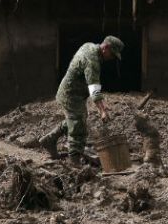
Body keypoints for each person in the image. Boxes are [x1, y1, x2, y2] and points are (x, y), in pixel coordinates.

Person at [38, 36, 125, 166]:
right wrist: (102, 110)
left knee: (76, 119)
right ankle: (74, 161)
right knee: (78, 126)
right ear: (105, 48)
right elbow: (94, 87)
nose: (111, 58)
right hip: (71, 94)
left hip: (71, 92)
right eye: (112, 54)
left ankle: (50, 140)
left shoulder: (88, 44)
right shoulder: (93, 60)